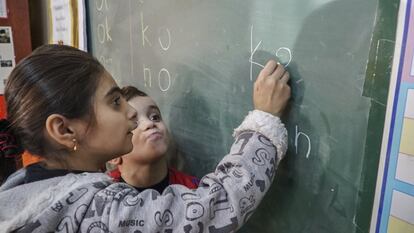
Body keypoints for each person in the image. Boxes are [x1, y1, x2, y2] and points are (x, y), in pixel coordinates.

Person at [0, 44, 290, 232]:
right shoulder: (96, 211)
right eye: (114, 103)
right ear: (64, 130)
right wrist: (263, 121)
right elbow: (213, 208)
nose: (129, 111)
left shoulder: (25, 189)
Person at [108, 86, 199, 191]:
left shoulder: (193, 191)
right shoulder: (103, 196)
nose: (150, 123)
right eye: (134, 123)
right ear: (113, 155)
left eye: (155, 117)